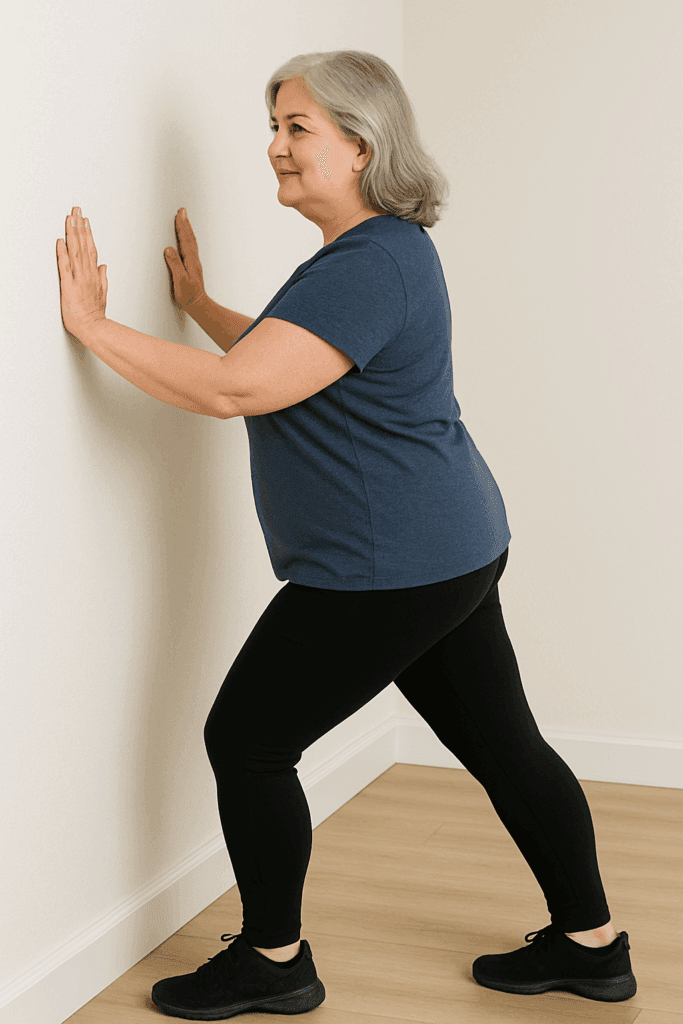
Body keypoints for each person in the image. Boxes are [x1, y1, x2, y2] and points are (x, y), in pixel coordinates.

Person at [151, 51, 635, 1020]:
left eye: (297, 128)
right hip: (449, 544)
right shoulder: (381, 254)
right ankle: (591, 944)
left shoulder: (368, 262)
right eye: (276, 126)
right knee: (505, 743)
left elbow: (237, 388)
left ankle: (273, 958)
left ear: (360, 146)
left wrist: (89, 323)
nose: (275, 147)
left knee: (245, 739)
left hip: (389, 570)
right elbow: (296, 358)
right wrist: (200, 307)